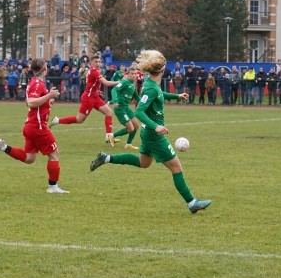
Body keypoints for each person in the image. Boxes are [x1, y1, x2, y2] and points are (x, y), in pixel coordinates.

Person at [89, 49, 211, 214]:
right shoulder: (151, 87)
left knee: (143, 163)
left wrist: (177, 96)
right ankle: (192, 202)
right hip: (154, 135)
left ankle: (107, 158)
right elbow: (139, 111)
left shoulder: (151, 83)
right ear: (162, 69)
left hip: (147, 133)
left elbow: (158, 94)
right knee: (176, 167)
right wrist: (156, 126)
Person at [0, 57, 68, 194]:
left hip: (31, 125)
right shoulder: (38, 84)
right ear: (44, 68)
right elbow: (31, 103)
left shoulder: (33, 83)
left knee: (29, 158)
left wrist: (48, 100)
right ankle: (53, 187)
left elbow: (29, 102)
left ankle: (3, 147)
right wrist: (48, 96)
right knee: (54, 154)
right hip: (38, 126)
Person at [50, 54, 120, 145]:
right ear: (91, 62)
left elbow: (91, 84)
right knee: (80, 119)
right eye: (96, 62)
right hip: (89, 99)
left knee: (109, 112)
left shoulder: (94, 71)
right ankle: (57, 120)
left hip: (94, 97)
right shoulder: (94, 71)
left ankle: (109, 137)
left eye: (99, 62)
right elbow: (106, 83)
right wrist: (119, 82)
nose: (98, 63)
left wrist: (97, 91)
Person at [108, 67, 141, 150]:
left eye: (135, 74)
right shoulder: (124, 82)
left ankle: (128, 144)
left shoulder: (133, 84)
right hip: (120, 109)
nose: (134, 75)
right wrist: (115, 101)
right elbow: (114, 90)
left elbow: (136, 96)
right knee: (130, 128)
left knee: (136, 126)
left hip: (126, 108)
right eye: (132, 74)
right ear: (128, 74)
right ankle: (112, 136)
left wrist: (143, 103)